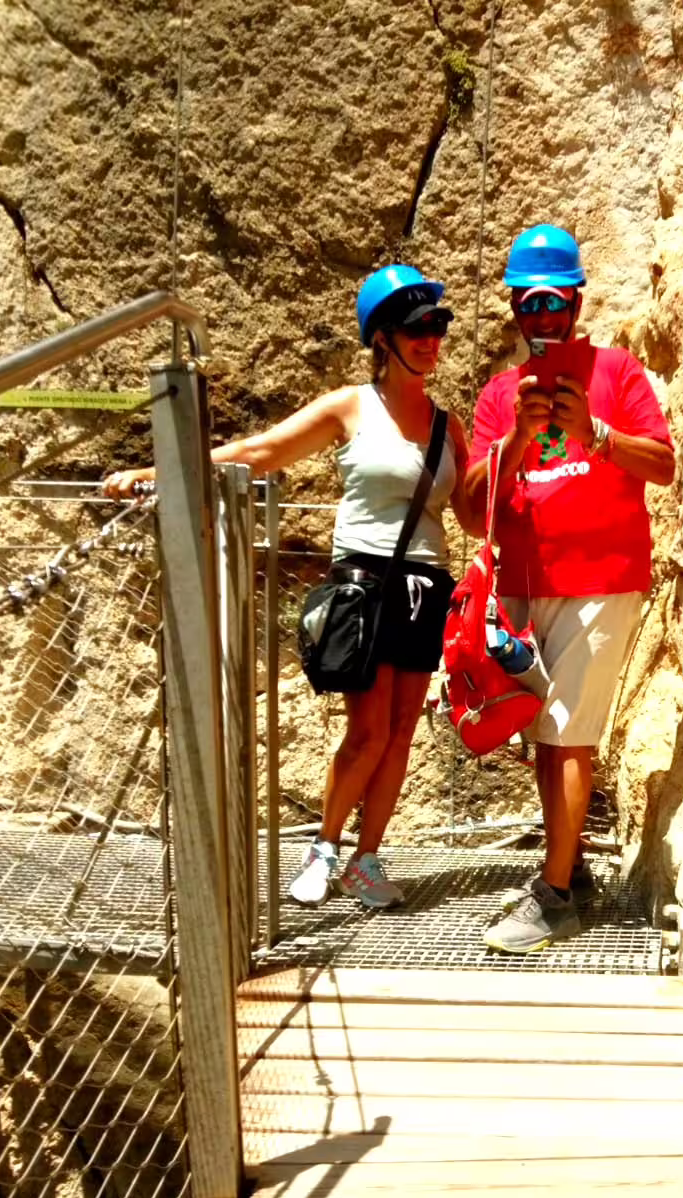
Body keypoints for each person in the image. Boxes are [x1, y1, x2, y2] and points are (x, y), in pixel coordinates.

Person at [104, 265, 479, 909]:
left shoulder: (449, 426)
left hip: (426, 585)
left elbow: (471, 514)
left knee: (399, 736)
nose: (431, 338)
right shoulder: (350, 406)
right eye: (418, 327)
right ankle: (325, 848)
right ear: (382, 338)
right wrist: (158, 469)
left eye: (437, 325)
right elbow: (263, 450)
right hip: (364, 580)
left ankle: (367, 860)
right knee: (366, 734)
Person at [464, 225, 675, 953]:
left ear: (578, 301)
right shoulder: (499, 396)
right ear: (516, 308)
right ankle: (571, 869)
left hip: (601, 579)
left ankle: (554, 899)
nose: (544, 316)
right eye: (530, 302)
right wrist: (515, 442)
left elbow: (664, 465)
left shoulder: (617, 371)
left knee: (567, 735)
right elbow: (469, 509)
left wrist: (598, 435)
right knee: (543, 738)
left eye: (555, 300)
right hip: (527, 587)